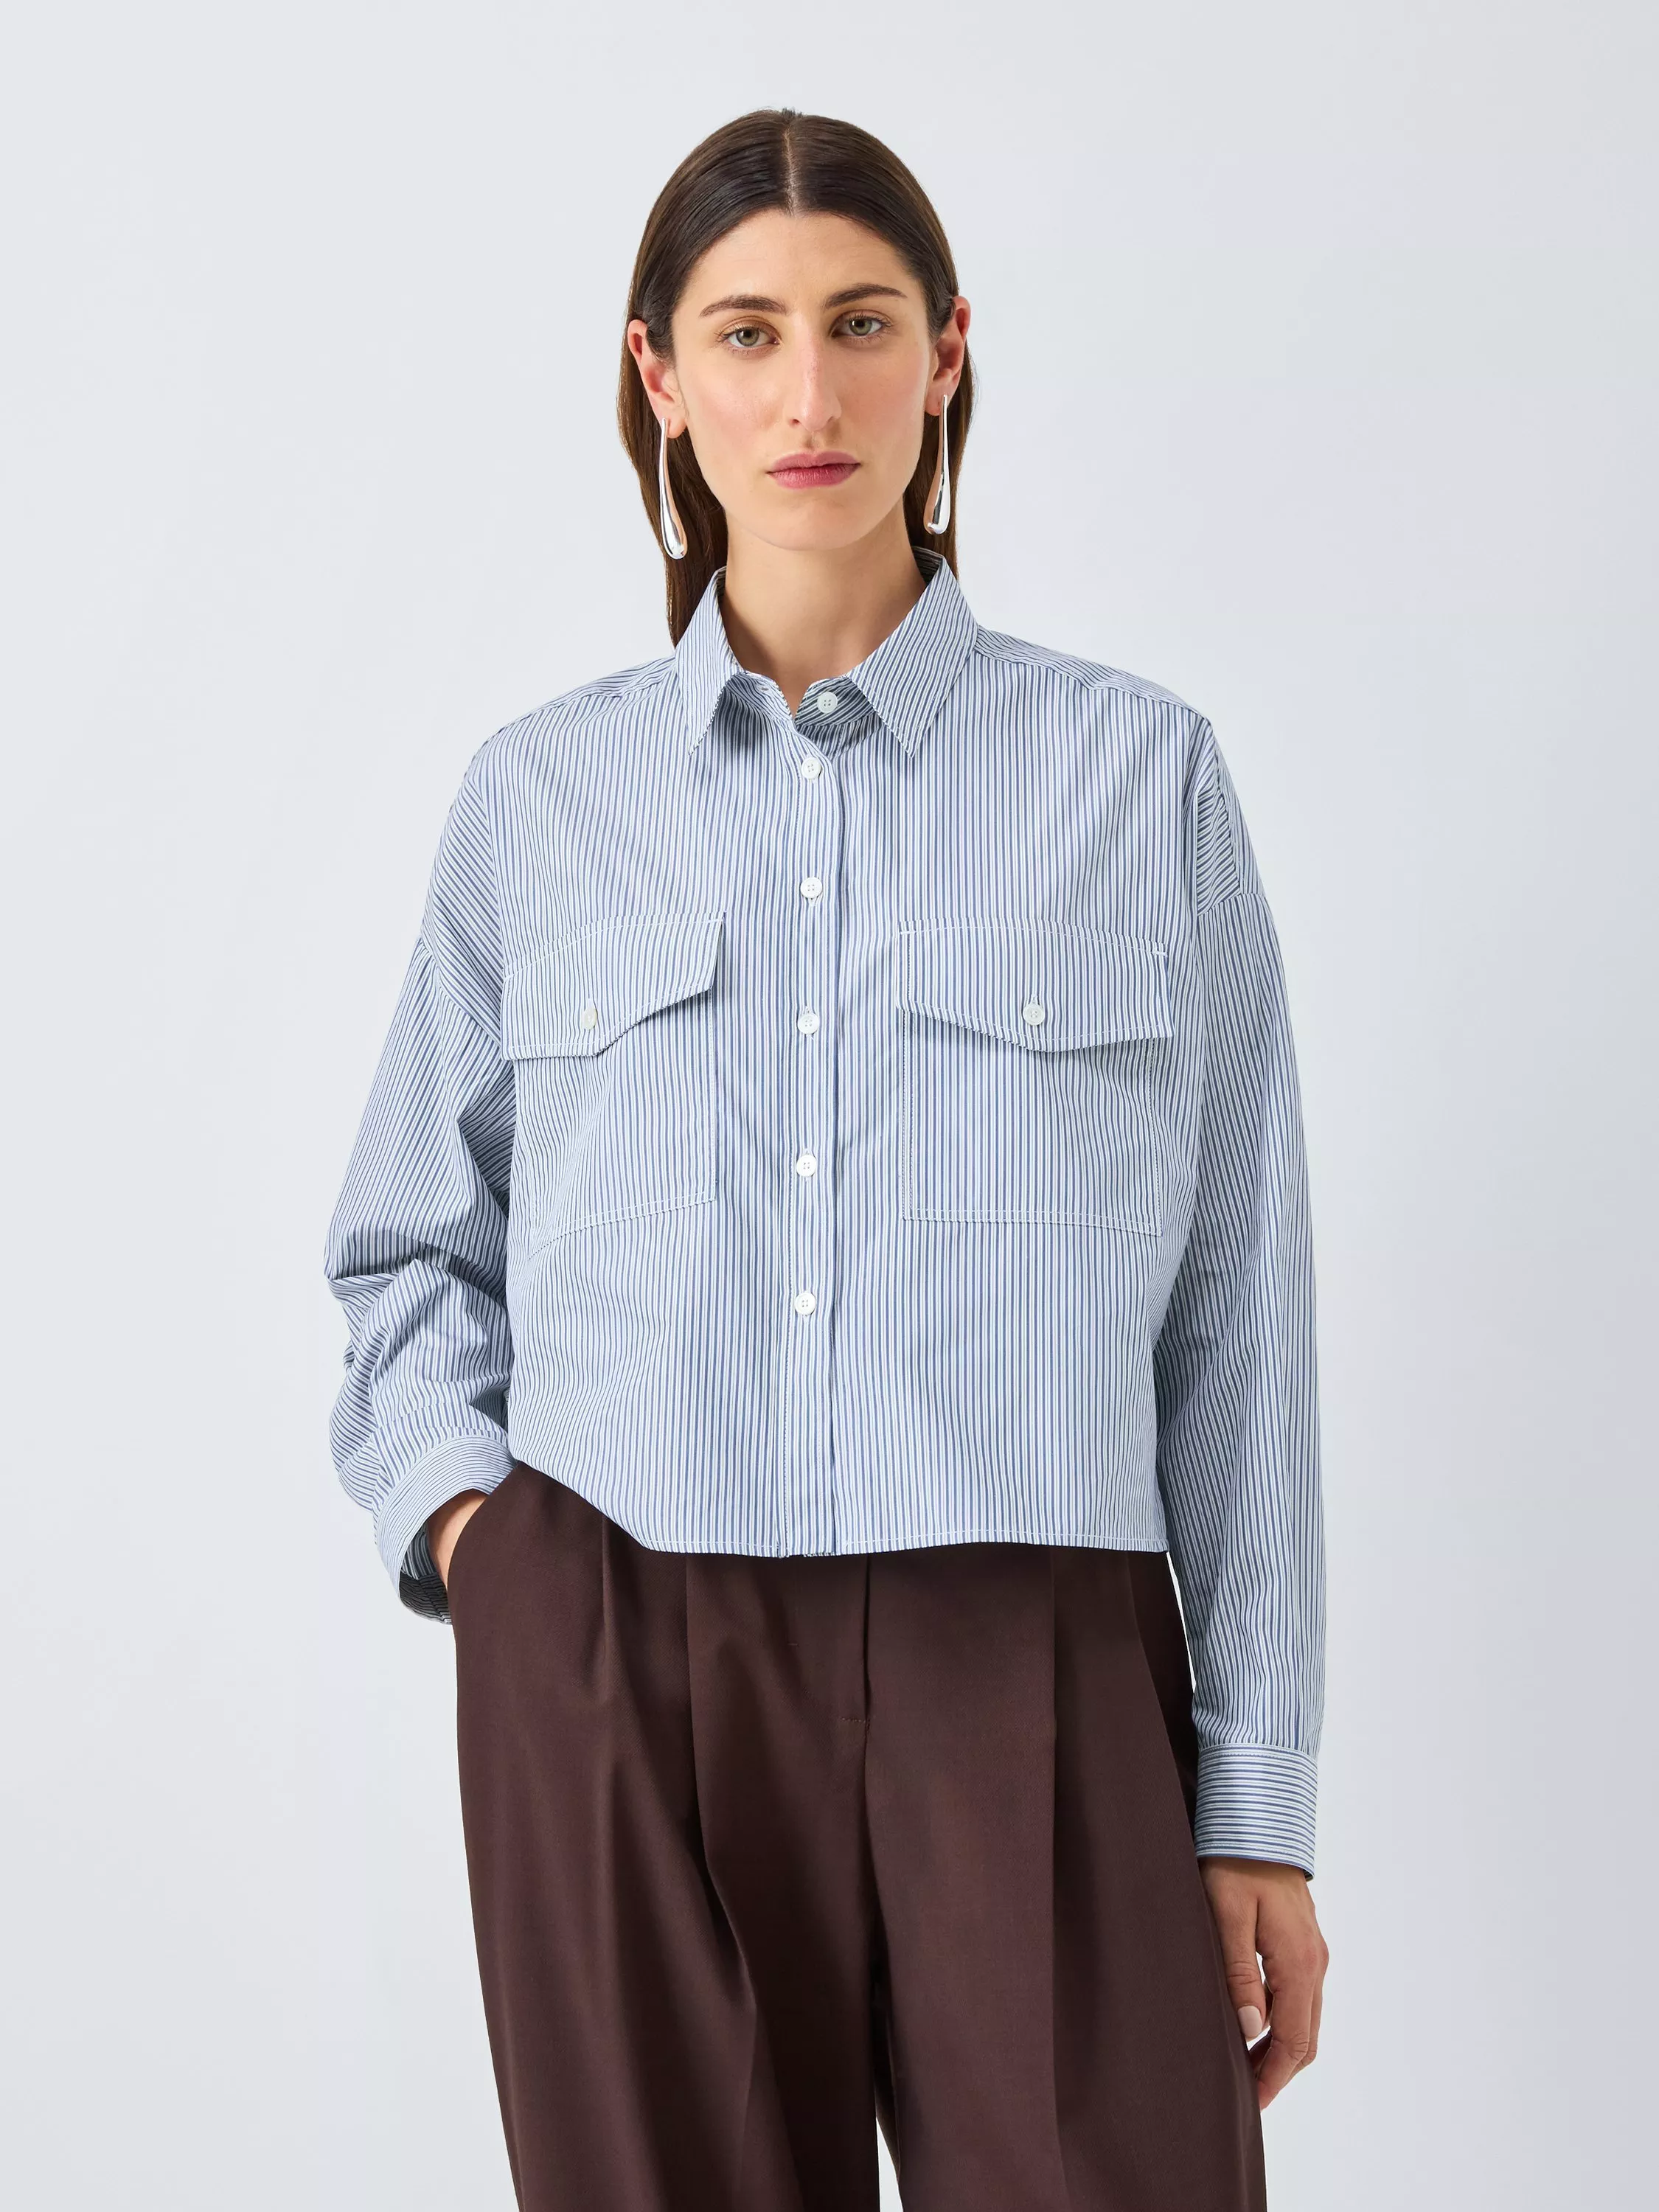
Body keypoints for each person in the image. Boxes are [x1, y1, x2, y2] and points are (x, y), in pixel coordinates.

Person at [324, 105, 1329, 2212]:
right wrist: (494, 1559)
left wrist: (1257, 1801)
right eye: (748, 331)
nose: (809, 395)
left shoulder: (1135, 776)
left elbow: (1239, 1318)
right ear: (659, 371)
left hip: (1031, 1643)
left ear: (946, 353)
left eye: (862, 324)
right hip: (626, 1644)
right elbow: (411, 1243)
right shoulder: (544, 801)